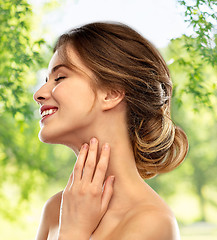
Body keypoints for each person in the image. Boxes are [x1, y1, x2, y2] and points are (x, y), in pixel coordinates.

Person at [33, 22, 188, 240]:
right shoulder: (55, 211)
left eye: (60, 78)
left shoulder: (152, 223)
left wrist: (74, 232)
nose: (39, 93)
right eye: (46, 80)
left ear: (112, 93)